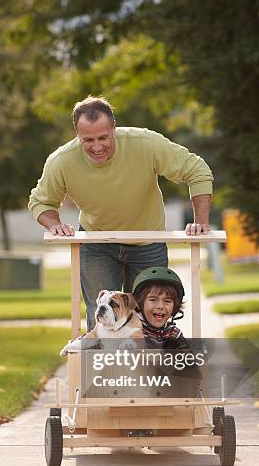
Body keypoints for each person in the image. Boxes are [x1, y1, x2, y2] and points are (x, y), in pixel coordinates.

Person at [28, 96, 213, 329]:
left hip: (148, 242)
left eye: (103, 137)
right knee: (102, 318)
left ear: (114, 128)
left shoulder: (145, 143)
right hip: (97, 243)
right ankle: (105, 366)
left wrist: (201, 222)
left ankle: (148, 366)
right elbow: (40, 201)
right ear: (77, 134)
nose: (97, 146)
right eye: (88, 140)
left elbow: (197, 170)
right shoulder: (61, 161)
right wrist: (54, 223)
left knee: (151, 318)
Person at [132, 266, 188, 349]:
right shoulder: (132, 330)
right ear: (139, 303)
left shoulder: (174, 334)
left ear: (175, 306)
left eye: (167, 301)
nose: (160, 306)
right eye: (153, 300)